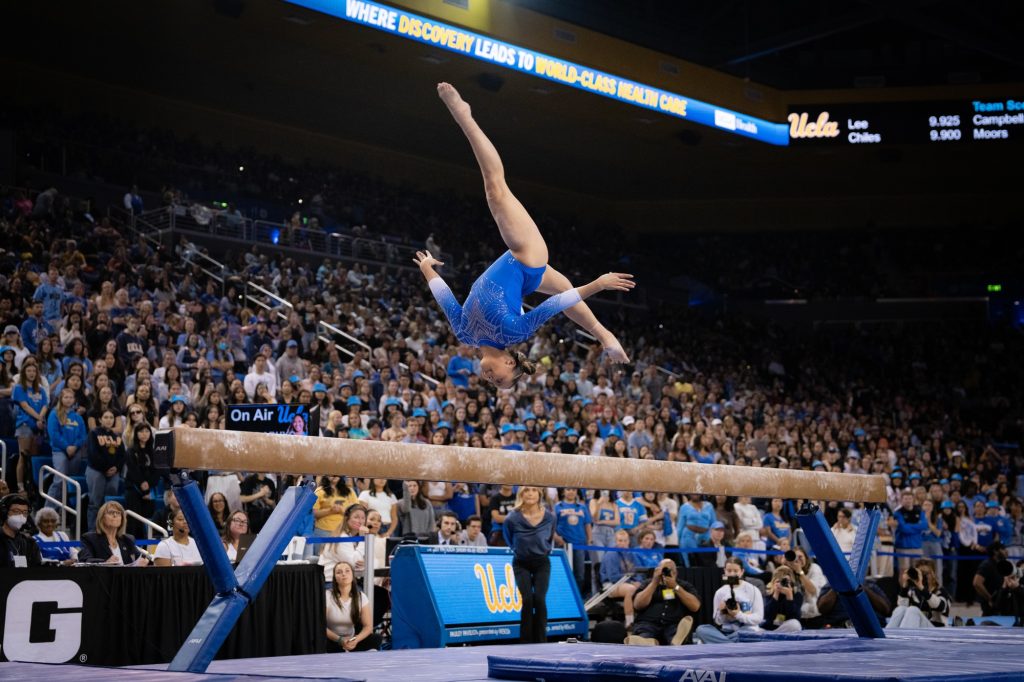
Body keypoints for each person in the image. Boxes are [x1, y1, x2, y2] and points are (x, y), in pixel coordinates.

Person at [417, 83, 633, 390]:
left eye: (492, 384)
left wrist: (428, 271)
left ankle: (605, 335)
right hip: (525, 255)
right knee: (495, 189)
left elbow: (447, 301)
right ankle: (464, 116)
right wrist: (599, 284)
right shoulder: (513, 333)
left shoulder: (464, 334)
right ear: (509, 362)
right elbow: (553, 305)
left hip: (526, 276)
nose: (491, 380)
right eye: (502, 379)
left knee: (566, 290)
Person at [502, 485, 555, 643]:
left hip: (542, 563)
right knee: (527, 600)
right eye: (526, 490)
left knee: (539, 598)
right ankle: (525, 641)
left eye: (533, 490)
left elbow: (550, 537)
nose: (530, 493)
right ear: (521, 494)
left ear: (539, 493)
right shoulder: (512, 517)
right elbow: (508, 538)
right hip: (521, 563)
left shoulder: (550, 517)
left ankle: (541, 640)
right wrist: (520, 550)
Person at [627, 559, 701, 646]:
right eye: (663, 570)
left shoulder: (684, 585)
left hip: (673, 623)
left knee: (675, 632)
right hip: (648, 623)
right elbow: (637, 605)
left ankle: (677, 639)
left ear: (675, 572)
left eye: (670, 570)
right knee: (645, 633)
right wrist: (654, 583)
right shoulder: (648, 583)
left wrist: (675, 587)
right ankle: (645, 641)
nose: (665, 573)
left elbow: (695, 606)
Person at [694, 557, 765, 644]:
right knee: (701, 629)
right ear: (724, 571)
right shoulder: (720, 592)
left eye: (735, 571)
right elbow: (718, 621)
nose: (732, 574)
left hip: (745, 630)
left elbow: (758, 618)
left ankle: (722, 644)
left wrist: (738, 614)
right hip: (726, 632)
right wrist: (721, 611)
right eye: (729, 571)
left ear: (742, 571)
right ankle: (730, 644)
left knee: (746, 633)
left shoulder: (753, 590)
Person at [325, 561, 382, 652]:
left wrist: (356, 639)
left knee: (376, 639)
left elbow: (368, 626)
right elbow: (321, 627)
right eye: (339, 572)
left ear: (353, 576)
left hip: (352, 639)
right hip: (332, 639)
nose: (344, 574)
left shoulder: (361, 597)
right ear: (335, 578)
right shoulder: (327, 596)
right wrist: (340, 640)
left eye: (347, 571)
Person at [85, 408, 127, 530]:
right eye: (106, 417)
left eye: (111, 418)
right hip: (96, 471)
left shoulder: (117, 436)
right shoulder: (94, 433)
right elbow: (93, 454)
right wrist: (106, 468)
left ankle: (108, 530)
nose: (109, 420)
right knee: (95, 503)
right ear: (100, 419)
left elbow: (122, 455)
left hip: (114, 473)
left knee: (110, 504)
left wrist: (116, 468)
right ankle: (92, 532)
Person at [45, 387, 88, 508]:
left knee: (70, 483)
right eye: (66, 397)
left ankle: (65, 512)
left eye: (71, 397)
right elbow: (54, 434)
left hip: (75, 452)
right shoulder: (54, 414)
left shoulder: (77, 417)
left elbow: (82, 435)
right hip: (60, 451)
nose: (69, 400)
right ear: (61, 398)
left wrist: (74, 446)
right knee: (59, 480)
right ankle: (48, 510)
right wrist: (67, 446)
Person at [78, 500, 149, 565]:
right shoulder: (90, 539)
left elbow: (139, 558)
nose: (115, 515)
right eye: (111, 512)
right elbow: (85, 560)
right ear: (102, 518)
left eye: (118, 513)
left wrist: (144, 561)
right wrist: (105, 563)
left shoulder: (127, 539)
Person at [553, 487, 592, 596]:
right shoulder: (557, 507)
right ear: (563, 492)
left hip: (579, 544)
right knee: (563, 573)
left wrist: (589, 540)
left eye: (574, 490)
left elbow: (587, 524)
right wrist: (556, 538)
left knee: (579, 574)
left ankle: (577, 598)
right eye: (569, 489)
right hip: (563, 544)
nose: (571, 492)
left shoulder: (582, 507)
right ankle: (563, 597)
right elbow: (551, 525)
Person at [887, 560, 949, 628]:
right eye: (921, 573)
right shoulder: (913, 591)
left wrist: (922, 588)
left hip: (937, 630)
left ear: (933, 574)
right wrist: (905, 586)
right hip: (919, 629)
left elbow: (941, 607)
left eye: (926, 573)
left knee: (913, 610)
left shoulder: (941, 591)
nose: (923, 576)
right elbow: (902, 607)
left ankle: (904, 637)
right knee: (900, 609)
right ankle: (888, 636)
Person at [320, 503, 370, 581]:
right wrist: (363, 539)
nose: (360, 521)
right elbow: (353, 564)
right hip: (332, 583)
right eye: (356, 517)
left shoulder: (352, 538)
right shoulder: (342, 538)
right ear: (347, 519)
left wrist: (365, 564)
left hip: (347, 582)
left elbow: (365, 561)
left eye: (363, 518)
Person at [0, 494, 43, 567]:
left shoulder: (30, 543)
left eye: (25, 512)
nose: (21, 516)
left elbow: (37, 569)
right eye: (16, 511)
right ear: (5, 512)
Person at [761, 566, 803, 632]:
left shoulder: (797, 595)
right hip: (768, 628)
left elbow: (795, 617)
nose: (782, 584)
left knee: (795, 624)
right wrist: (775, 595)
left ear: (791, 583)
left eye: (785, 582)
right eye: (778, 581)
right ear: (773, 582)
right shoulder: (768, 594)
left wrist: (789, 597)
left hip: (786, 627)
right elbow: (767, 615)